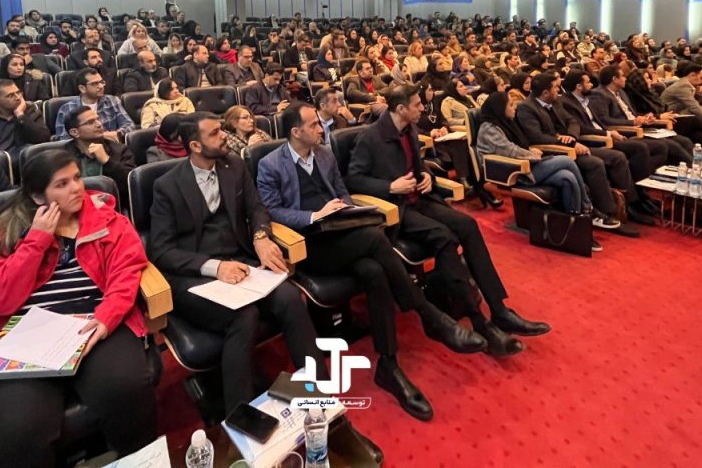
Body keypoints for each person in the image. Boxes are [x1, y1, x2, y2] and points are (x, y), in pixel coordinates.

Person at [256, 104, 486, 420]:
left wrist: (346, 211)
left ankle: (389, 365)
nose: (321, 129)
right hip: (308, 245)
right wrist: (313, 215)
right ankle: (428, 314)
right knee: (376, 240)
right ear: (296, 132)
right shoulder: (270, 164)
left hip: (341, 235)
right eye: (313, 125)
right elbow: (272, 211)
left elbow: (342, 192)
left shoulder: (324, 154)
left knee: (375, 271)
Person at [0, 151, 157, 468]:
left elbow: (126, 271)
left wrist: (106, 318)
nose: (76, 188)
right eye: (62, 184)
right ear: (38, 196)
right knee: (18, 429)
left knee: (125, 389)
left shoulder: (106, 219)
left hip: (93, 322)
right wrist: (36, 241)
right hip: (24, 334)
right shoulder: (9, 231)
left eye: (77, 178)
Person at [347, 84, 549, 356]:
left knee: (468, 225)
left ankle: (499, 309)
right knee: (444, 237)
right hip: (397, 210)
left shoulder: (409, 129)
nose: (423, 108)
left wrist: (427, 177)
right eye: (417, 104)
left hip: (421, 199)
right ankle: (478, 319)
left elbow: (417, 168)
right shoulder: (370, 137)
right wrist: (389, 187)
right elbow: (353, 179)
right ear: (401, 108)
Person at [148, 112, 325, 413]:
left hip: (241, 262)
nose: (224, 136)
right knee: (243, 315)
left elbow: (257, 209)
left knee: (289, 298)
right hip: (195, 276)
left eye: (222, 129)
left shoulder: (234, 165)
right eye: (215, 133)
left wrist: (261, 236)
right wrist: (215, 267)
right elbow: (162, 251)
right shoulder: (167, 185)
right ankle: (240, 417)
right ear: (195, 146)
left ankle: (319, 395)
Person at [477, 93, 602, 249]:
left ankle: (575, 224)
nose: (515, 107)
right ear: (499, 108)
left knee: (567, 177)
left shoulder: (507, 123)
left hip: (525, 166)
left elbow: (520, 146)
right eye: (510, 105)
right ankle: (587, 209)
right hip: (512, 172)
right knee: (567, 161)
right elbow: (510, 151)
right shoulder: (488, 128)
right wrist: (533, 154)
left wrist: (531, 151)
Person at [514, 75, 624, 230]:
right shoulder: (527, 108)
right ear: (545, 93)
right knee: (595, 163)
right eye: (555, 87)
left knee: (616, 156)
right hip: (553, 151)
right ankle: (606, 210)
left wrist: (572, 137)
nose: (559, 90)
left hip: (571, 146)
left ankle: (624, 204)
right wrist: (568, 143)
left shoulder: (555, 101)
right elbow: (537, 137)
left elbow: (572, 121)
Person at [558, 71, 665, 224]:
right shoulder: (567, 102)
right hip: (593, 140)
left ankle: (640, 194)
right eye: (588, 82)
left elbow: (597, 122)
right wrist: (608, 133)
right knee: (631, 151)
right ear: (578, 86)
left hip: (603, 135)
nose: (591, 85)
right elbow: (582, 128)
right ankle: (632, 203)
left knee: (650, 147)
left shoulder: (586, 99)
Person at [588, 66, 694, 165]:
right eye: (623, 76)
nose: (625, 78)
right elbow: (604, 120)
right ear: (615, 79)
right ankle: (690, 168)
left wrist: (645, 117)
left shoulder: (621, 92)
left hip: (639, 127)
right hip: (626, 131)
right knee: (669, 145)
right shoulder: (599, 94)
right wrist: (633, 122)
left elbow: (632, 114)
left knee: (683, 140)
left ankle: (692, 167)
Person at [61, 106, 137, 202]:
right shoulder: (62, 157)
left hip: (112, 205)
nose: (99, 124)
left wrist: (107, 161)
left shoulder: (120, 150)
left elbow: (132, 185)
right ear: (75, 132)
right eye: (90, 122)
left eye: (98, 119)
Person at [54, 68, 135, 141]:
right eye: (95, 84)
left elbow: (129, 125)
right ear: (82, 88)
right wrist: (100, 136)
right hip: (82, 150)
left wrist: (117, 134)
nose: (101, 86)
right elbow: (63, 138)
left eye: (101, 82)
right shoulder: (66, 109)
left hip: (111, 146)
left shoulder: (112, 100)